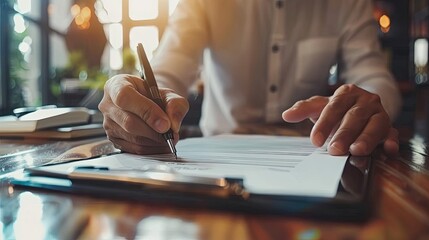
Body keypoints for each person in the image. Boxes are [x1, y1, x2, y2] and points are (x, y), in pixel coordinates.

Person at [98, 0, 402, 156]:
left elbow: (374, 77)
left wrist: (371, 104)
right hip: (216, 164)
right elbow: (167, 71)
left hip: (314, 156)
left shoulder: (347, 4)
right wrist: (142, 103)